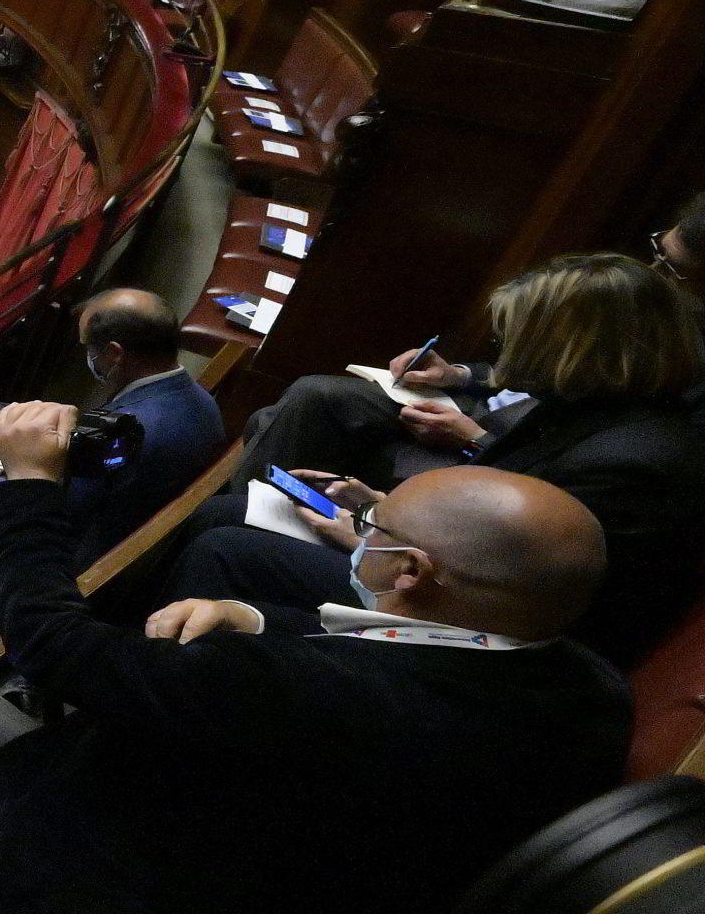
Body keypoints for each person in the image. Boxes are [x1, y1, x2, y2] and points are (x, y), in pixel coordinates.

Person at [0, 401, 632, 914]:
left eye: (373, 527)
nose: (360, 535)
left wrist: (29, 489)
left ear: (411, 573)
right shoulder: (589, 687)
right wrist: (252, 615)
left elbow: (56, 647)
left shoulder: (304, 690)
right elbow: (404, 649)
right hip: (343, 901)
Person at [190, 252, 705, 662]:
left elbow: (520, 605)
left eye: (517, 334)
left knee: (225, 544)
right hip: (442, 574)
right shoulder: (591, 407)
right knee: (236, 511)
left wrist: (369, 536)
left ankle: (189, 670)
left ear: (569, 347)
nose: (503, 347)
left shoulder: (631, 465)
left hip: (476, 638)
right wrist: (382, 512)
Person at [67, 288, 225, 560]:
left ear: (115, 353)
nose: (88, 357)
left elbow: (68, 509)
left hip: (89, 554)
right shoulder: (203, 401)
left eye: (88, 348)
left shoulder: (123, 435)